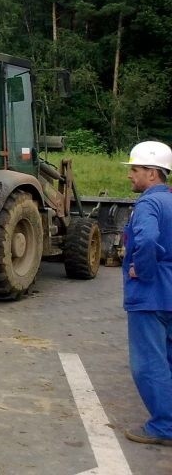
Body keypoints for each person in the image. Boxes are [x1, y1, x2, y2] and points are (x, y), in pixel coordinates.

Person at [121, 140, 172, 446]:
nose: (131, 176)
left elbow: (148, 238)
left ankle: (164, 426)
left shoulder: (149, 204)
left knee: (149, 363)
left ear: (152, 173)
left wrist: (143, 269)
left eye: (136, 170)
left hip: (151, 295)